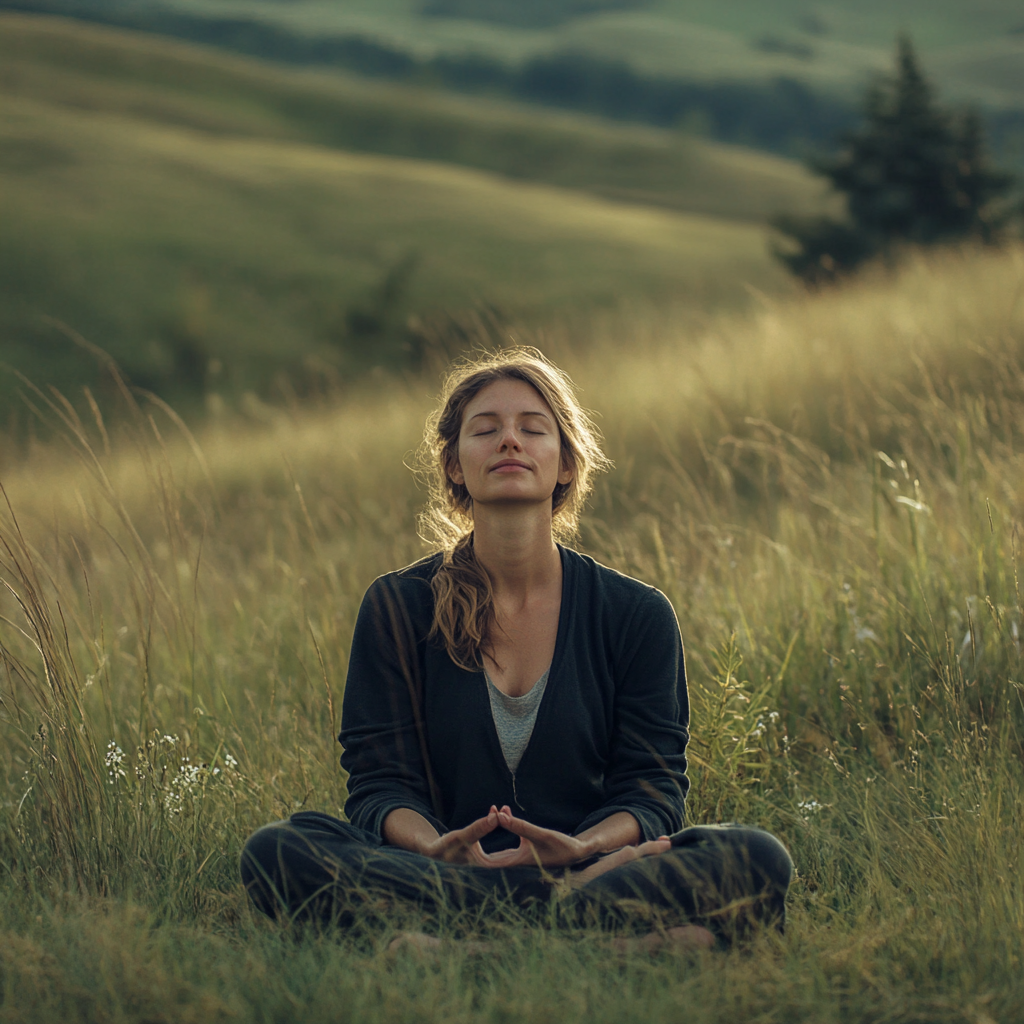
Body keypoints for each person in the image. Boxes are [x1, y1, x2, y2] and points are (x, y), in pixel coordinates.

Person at [240, 348, 792, 950]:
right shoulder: (398, 607)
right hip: (443, 873)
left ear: (565, 463)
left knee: (754, 855)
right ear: (454, 464)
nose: (509, 441)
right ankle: (610, 947)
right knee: (277, 850)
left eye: (533, 429)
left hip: (587, 874)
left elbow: (652, 787)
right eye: (486, 430)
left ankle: (463, 950)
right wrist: (434, 848)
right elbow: (379, 786)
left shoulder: (636, 614)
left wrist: (585, 850)